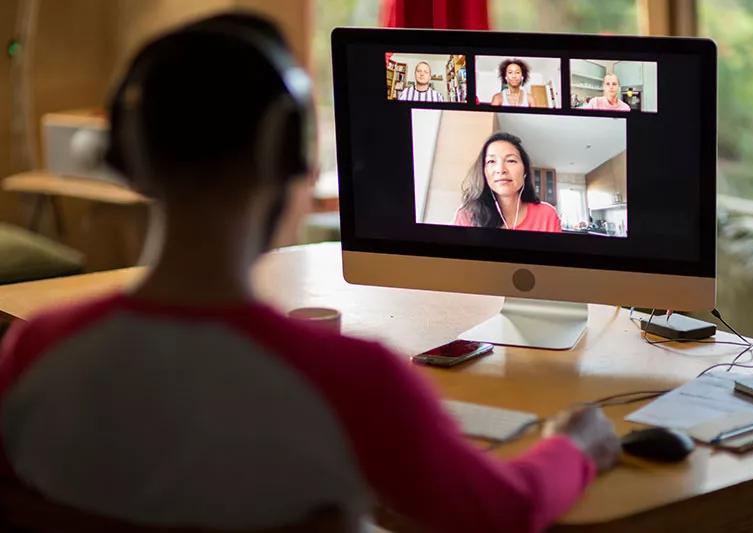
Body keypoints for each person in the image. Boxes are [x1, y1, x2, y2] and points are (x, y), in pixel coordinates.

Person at [0, 13, 619, 533]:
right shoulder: (349, 379)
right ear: (284, 158)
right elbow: (501, 511)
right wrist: (577, 445)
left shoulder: (36, 348)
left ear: (129, 160)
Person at [454, 132, 563, 233]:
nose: (501, 169)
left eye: (511, 161)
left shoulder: (547, 215)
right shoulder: (466, 215)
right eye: (491, 161)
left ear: (525, 171)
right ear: (483, 171)